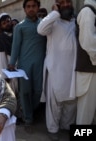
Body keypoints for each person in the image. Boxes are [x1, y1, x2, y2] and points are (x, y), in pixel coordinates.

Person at [37, 0, 77, 139]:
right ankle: (53, 131)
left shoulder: (76, 21)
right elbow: (40, 29)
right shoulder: (53, 21)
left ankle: (67, 129)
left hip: (73, 71)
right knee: (54, 105)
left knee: (71, 103)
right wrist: (54, 12)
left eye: (68, 2)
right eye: (62, 2)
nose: (66, 5)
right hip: (55, 70)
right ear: (57, 4)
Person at [8, 0, 46, 131]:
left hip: (40, 65)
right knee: (25, 92)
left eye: (34, 6)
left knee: (38, 91)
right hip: (24, 66)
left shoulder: (43, 25)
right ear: (24, 9)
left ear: (38, 8)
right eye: (28, 7)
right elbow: (15, 46)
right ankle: (28, 119)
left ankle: (31, 112)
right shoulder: (20, 27)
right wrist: (12, 63)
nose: (31, 9)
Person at [75, 0, 96, 125]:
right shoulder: (88, 11)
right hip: (89, 72)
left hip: (92, 70)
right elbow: (88, 42)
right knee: (85, 115)